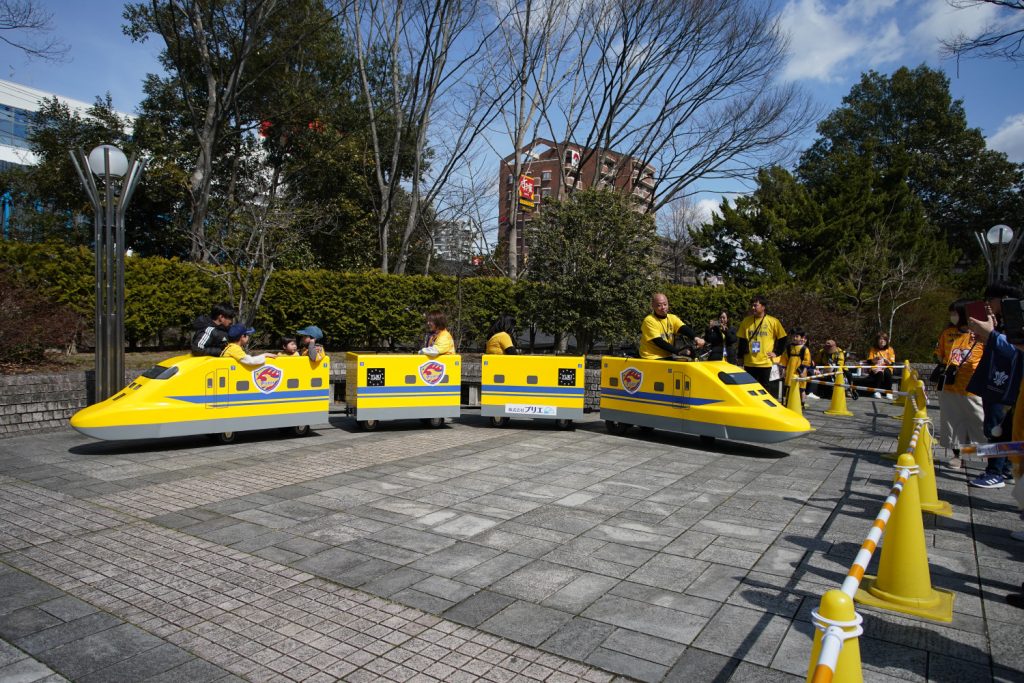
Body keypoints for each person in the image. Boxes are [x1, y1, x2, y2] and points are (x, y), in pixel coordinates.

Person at [966, 283, 1023, 488]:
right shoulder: (1001, 322)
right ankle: (1004, 468)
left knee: (996, 427)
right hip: (999, 380)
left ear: (1005, 300)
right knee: (1004, 428)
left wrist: (991, 334)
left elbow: (1014, 350)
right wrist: (987, 334)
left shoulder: (1016, 321)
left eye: (990, 300)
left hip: (1006, 383)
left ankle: (995, 472)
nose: (987, 304)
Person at [937, 299, 985, 469]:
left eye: (955, 313)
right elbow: (939, 354)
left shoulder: (979, 334)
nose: (952, 316)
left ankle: (995, 458)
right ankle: (957, 455)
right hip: (949, 385)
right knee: (952, 422)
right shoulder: (947, 333)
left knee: (980, 422)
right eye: (951, 313)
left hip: (973, 387)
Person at [737, 295, 787, 393]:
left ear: (763, 307)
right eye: (752, 305)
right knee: (750, 389)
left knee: (765, 389)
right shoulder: (746, 321)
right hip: (749, 362)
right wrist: (740, 357)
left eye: (755, 305)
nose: (753, 308)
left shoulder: (773, 321)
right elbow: (742, 341)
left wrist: (777, 352)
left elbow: (783, 338)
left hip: (765, 363)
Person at [639, 293, 705, 360]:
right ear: (653, 306)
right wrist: (678, 351)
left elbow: (684, 328)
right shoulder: (649, 320)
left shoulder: (672, 318)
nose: (663, 307)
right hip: (652, 357)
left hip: (667, 356)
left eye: (665, 304)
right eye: (659, 305)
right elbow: (658, 342)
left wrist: (696, 338)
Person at [781, 327, 813, 407]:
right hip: (790, 371)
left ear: (801, 337)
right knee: (788, 386)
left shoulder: (804, 349)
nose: (794, 338)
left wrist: (802, 371)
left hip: (800, 372)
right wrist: (783, 370)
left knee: (801, 388)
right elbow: (784, 359)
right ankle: (786, 402)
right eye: (793, 336)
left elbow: (807, 361)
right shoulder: (789, 348)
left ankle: (802, 403)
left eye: (796, 336)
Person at [864, 332, 896, 399]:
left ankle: (889, 391)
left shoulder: (890, 349)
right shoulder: (873, 349)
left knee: (887, 372)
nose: (882, 341)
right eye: (880, 339)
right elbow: (869, 361)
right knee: (879, 373)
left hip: (886, 367)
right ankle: (877, 391)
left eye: (884, 339)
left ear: (886, 341)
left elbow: (892, 363)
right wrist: (874, 360)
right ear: (877, 340)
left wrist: (887, 361)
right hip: (876, 367)